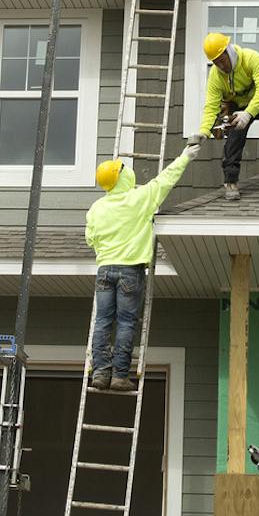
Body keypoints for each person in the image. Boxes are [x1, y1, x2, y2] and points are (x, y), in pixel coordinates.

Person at [82, 146, 196, 391]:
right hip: (130, 271)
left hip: (104, 270)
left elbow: (90, 240)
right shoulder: (139, 199)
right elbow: (166, 178)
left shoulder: (96, 208)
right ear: (122, 177)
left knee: (102, 321)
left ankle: (101, 373)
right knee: (125, 322)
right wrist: (186, 155)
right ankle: (120, 375)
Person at [198, 31, 259, 201]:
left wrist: (248, 114)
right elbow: (211, 106)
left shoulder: (251, 58)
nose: (221, 65)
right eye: (216, 62)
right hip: (237, 103)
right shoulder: (216, 76)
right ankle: (230, 182)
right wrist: (203, 132)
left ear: (229, 51)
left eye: (222, 60)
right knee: (234, 136)